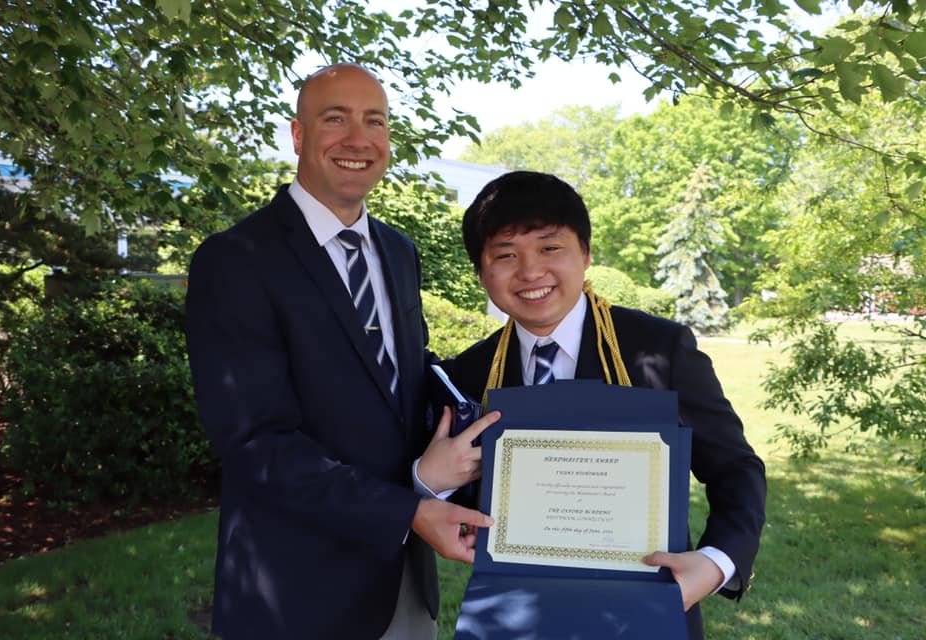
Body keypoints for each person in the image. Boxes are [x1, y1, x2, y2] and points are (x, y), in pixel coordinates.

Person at [184, 63, 496, 640]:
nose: (359, 139)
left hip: (404, 587)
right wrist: (407, 512)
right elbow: (257, 443)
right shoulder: (236, 261)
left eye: (374, 121)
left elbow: (403, 381)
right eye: (336, 119)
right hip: (296, 593)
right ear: (299, 135)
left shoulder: (398, 252)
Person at [429, 170, 767, 640]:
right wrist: (431, 485)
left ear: (585, 254)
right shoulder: (470, 374)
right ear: (482, 272)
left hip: (646, 610)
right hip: (518, 621)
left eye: (550, 248)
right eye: (505, 255)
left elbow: (736, 469)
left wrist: (715, 563)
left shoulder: (658, 350)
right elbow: (460, 495)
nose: (530, 272)